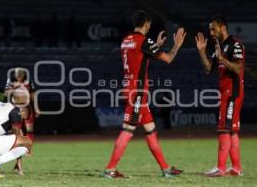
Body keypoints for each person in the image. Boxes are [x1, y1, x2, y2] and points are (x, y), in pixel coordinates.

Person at [102, 10, 186, 178]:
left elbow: (139, 56)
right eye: (149, 25)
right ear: (147, 24)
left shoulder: (126, 40)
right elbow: (168, 59)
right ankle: (110, 169)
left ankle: (165, 169)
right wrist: (177, 45)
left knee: (151, 129)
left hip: (130, 88)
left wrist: (156, 45)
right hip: (137, 92)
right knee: (128, 128)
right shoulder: (143, 41)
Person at [195, 15, 245, 177]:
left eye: (213, 28)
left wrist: (222, 58)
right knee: (232, 131)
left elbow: (238, 69)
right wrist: (202, 52)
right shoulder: (221, 46)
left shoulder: (235, 44)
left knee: (224, 128)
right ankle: (236, 168)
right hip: (226, 93)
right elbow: (208, 69)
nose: (210, 32)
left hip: (232, 92)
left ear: (222, 27)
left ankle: (220, 168)